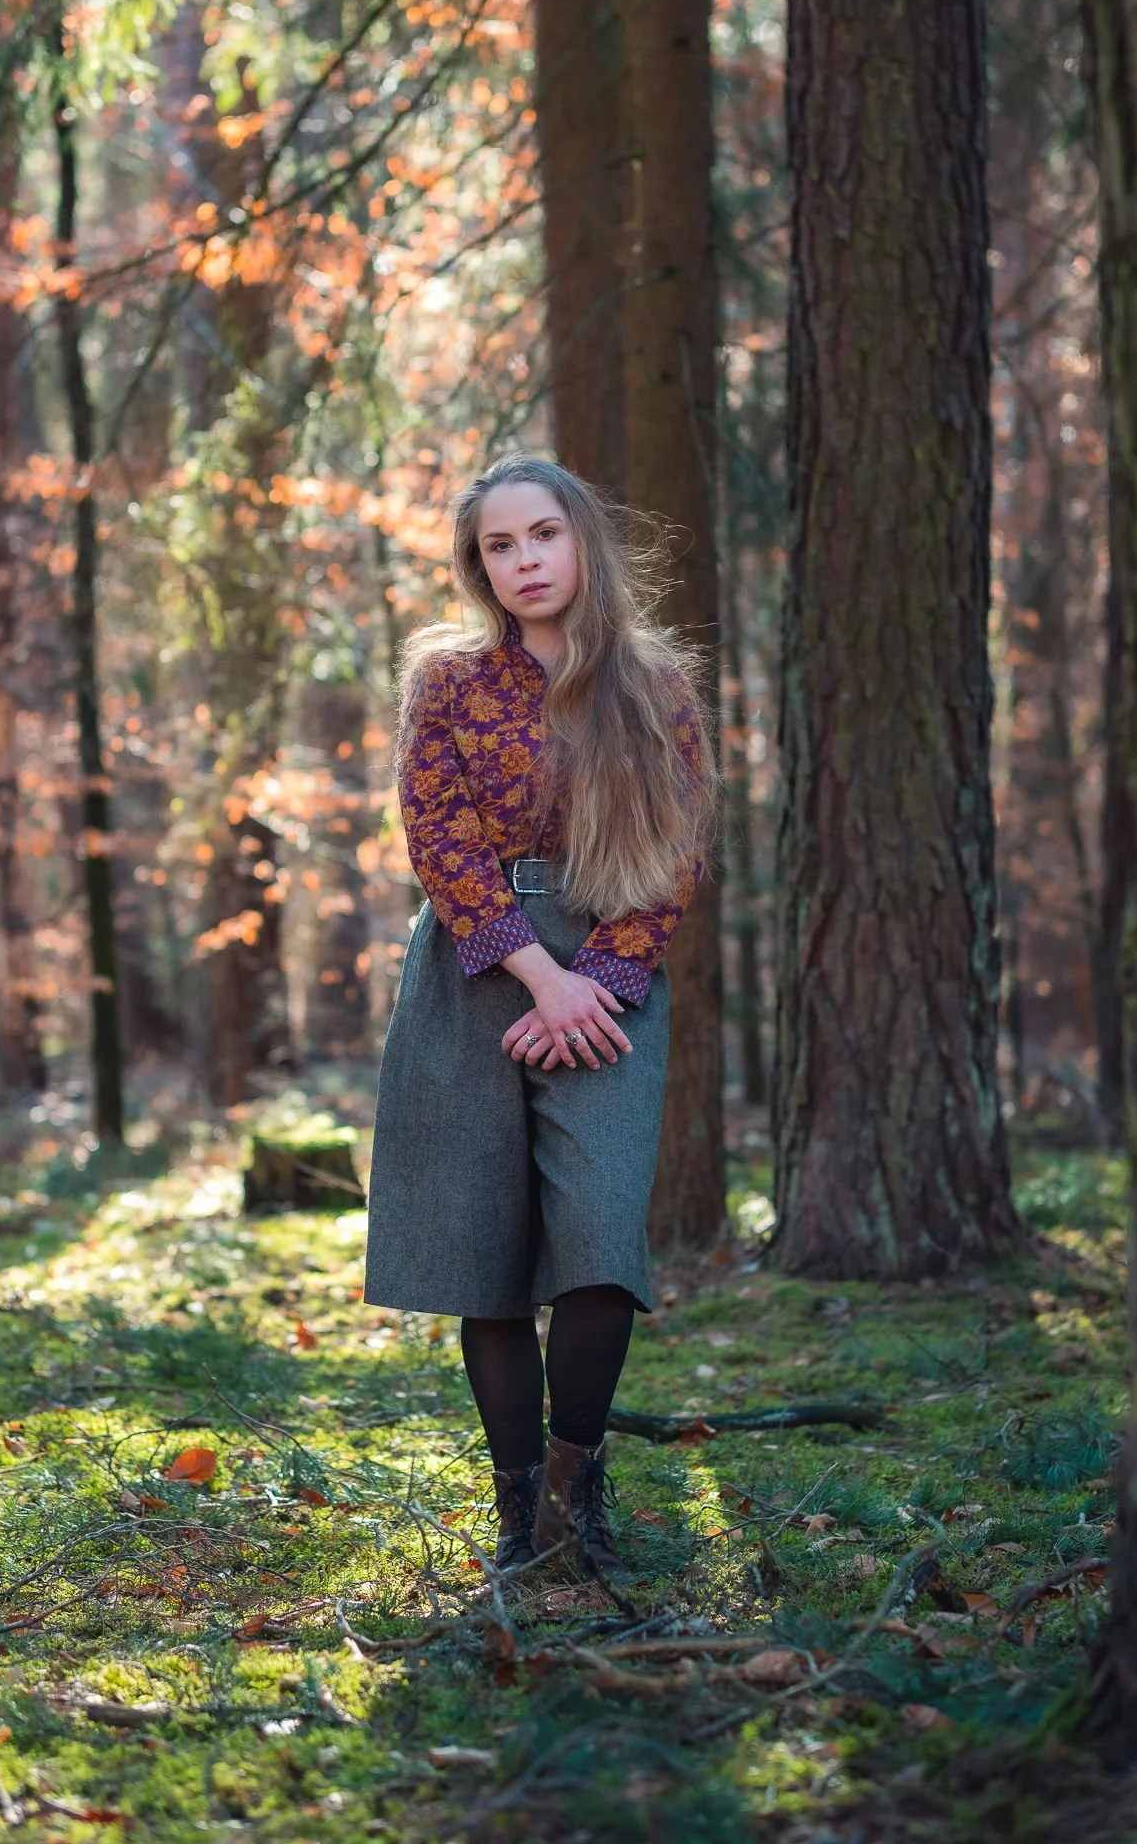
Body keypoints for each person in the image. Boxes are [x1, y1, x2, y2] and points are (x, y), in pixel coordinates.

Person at [363, 453, 716, 1578]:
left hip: (612, 969)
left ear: (583, 541)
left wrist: (595, 982)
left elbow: (676, 851)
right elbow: (440, 836)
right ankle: (523, 1515)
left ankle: (578, 1485)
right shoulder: (449, 680)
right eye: (498, 546)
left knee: (601, 1242)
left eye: (542, 536)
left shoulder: (657, 686)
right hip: (476, 971)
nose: (523, 562)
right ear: (478, 566)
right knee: (487, 1249)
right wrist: (534, 974)